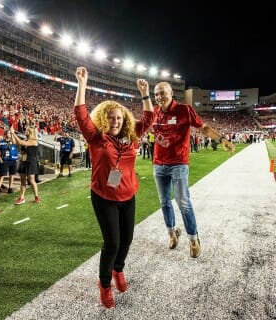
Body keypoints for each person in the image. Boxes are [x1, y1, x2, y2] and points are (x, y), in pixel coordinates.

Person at [74, 66, 154, 308]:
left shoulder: (131, 134)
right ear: (104, 119)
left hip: (128, 194)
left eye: (119, 118)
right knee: (112, 243)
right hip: (104, 196)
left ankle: (119, 270)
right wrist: (82, 84)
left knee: (127, 240)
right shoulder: (96, 137)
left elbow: (150, 118)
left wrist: (145, 94)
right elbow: (80, 114)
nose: (116, 121)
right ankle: (105, 284)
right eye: (111, 117)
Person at [152, 82, 235, 258]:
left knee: (183, 202)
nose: (159, 97)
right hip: (159, 164)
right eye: (156, 94)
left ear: (171, 93)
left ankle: (193, 238)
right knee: (164, 202)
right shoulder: (155, 113)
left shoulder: (184, 110)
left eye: (163, 93)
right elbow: (152, 132)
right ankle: (172, 233)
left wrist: (221, 139)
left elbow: (203, 127)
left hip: (178, 164)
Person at [9, 126, 40, 204]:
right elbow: (14, 142)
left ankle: (36, 196)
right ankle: (22, 197)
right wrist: (12, 134)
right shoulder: (26, 139)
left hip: (31, 161)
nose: (25, 132)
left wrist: (13, 133)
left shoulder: (34, 141)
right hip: (23, 161)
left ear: (30, 132)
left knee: (31, 179)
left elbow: (20, 142)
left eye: (26, 131)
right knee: (22, 180)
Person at [0, 129, 19, 196]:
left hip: (13, 160)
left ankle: (10, 188)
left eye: (10, 133)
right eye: (8, 133)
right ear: (5, 134)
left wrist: (12, 133)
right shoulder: (1, 142)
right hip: (4, 160)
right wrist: (0, 160)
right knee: (2, 175)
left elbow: (15, 142)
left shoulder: (13, 141)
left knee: (12, 174)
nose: (10, 134)